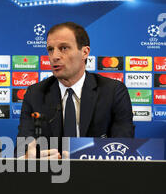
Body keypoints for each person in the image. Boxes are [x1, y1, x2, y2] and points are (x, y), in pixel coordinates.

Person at [16, 22, 134, 158]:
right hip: (50, 175)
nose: (54, 56)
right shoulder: (35, 94)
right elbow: (22, 149)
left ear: (85, 52)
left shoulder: (113, 92)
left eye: (64, 48)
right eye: (50, 49)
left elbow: (124, 148)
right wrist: (28, 158)